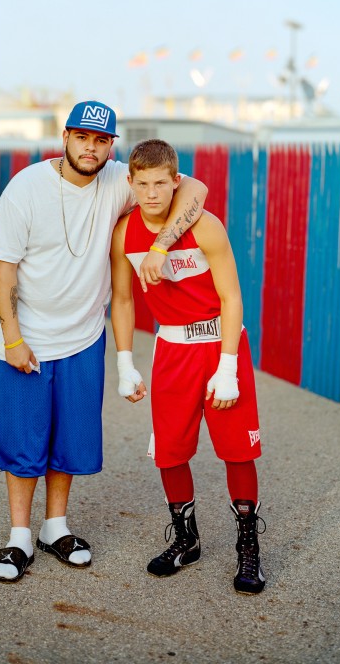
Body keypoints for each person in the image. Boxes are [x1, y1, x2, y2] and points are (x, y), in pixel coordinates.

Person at [0, 101, 208, 583]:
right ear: (65, 137)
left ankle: (54, 527)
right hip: (29, 339)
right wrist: (13, 337)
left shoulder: (119, 180)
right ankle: (19, 536)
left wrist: (162, 244)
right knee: (22, 441)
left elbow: (195, 188)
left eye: (102, 140)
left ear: (111, 146)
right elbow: (2, 269)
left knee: (68, 440)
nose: (91, 146)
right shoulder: (27, 187)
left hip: (84, 336)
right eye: (83, 137)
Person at [110, 138, 265, 595]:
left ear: (176, 182)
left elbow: (231, 296)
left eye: (161, 183)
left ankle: (248, 547)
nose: (152, 193)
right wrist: (124, 364)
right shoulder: (124, 233)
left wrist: (229, 365)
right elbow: (122, 300)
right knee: (171, 451)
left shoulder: (206, 226)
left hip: (219, 345)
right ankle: (186, 539)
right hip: (172, 351)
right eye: (143, 184)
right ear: (131, 183)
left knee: (238, 450)